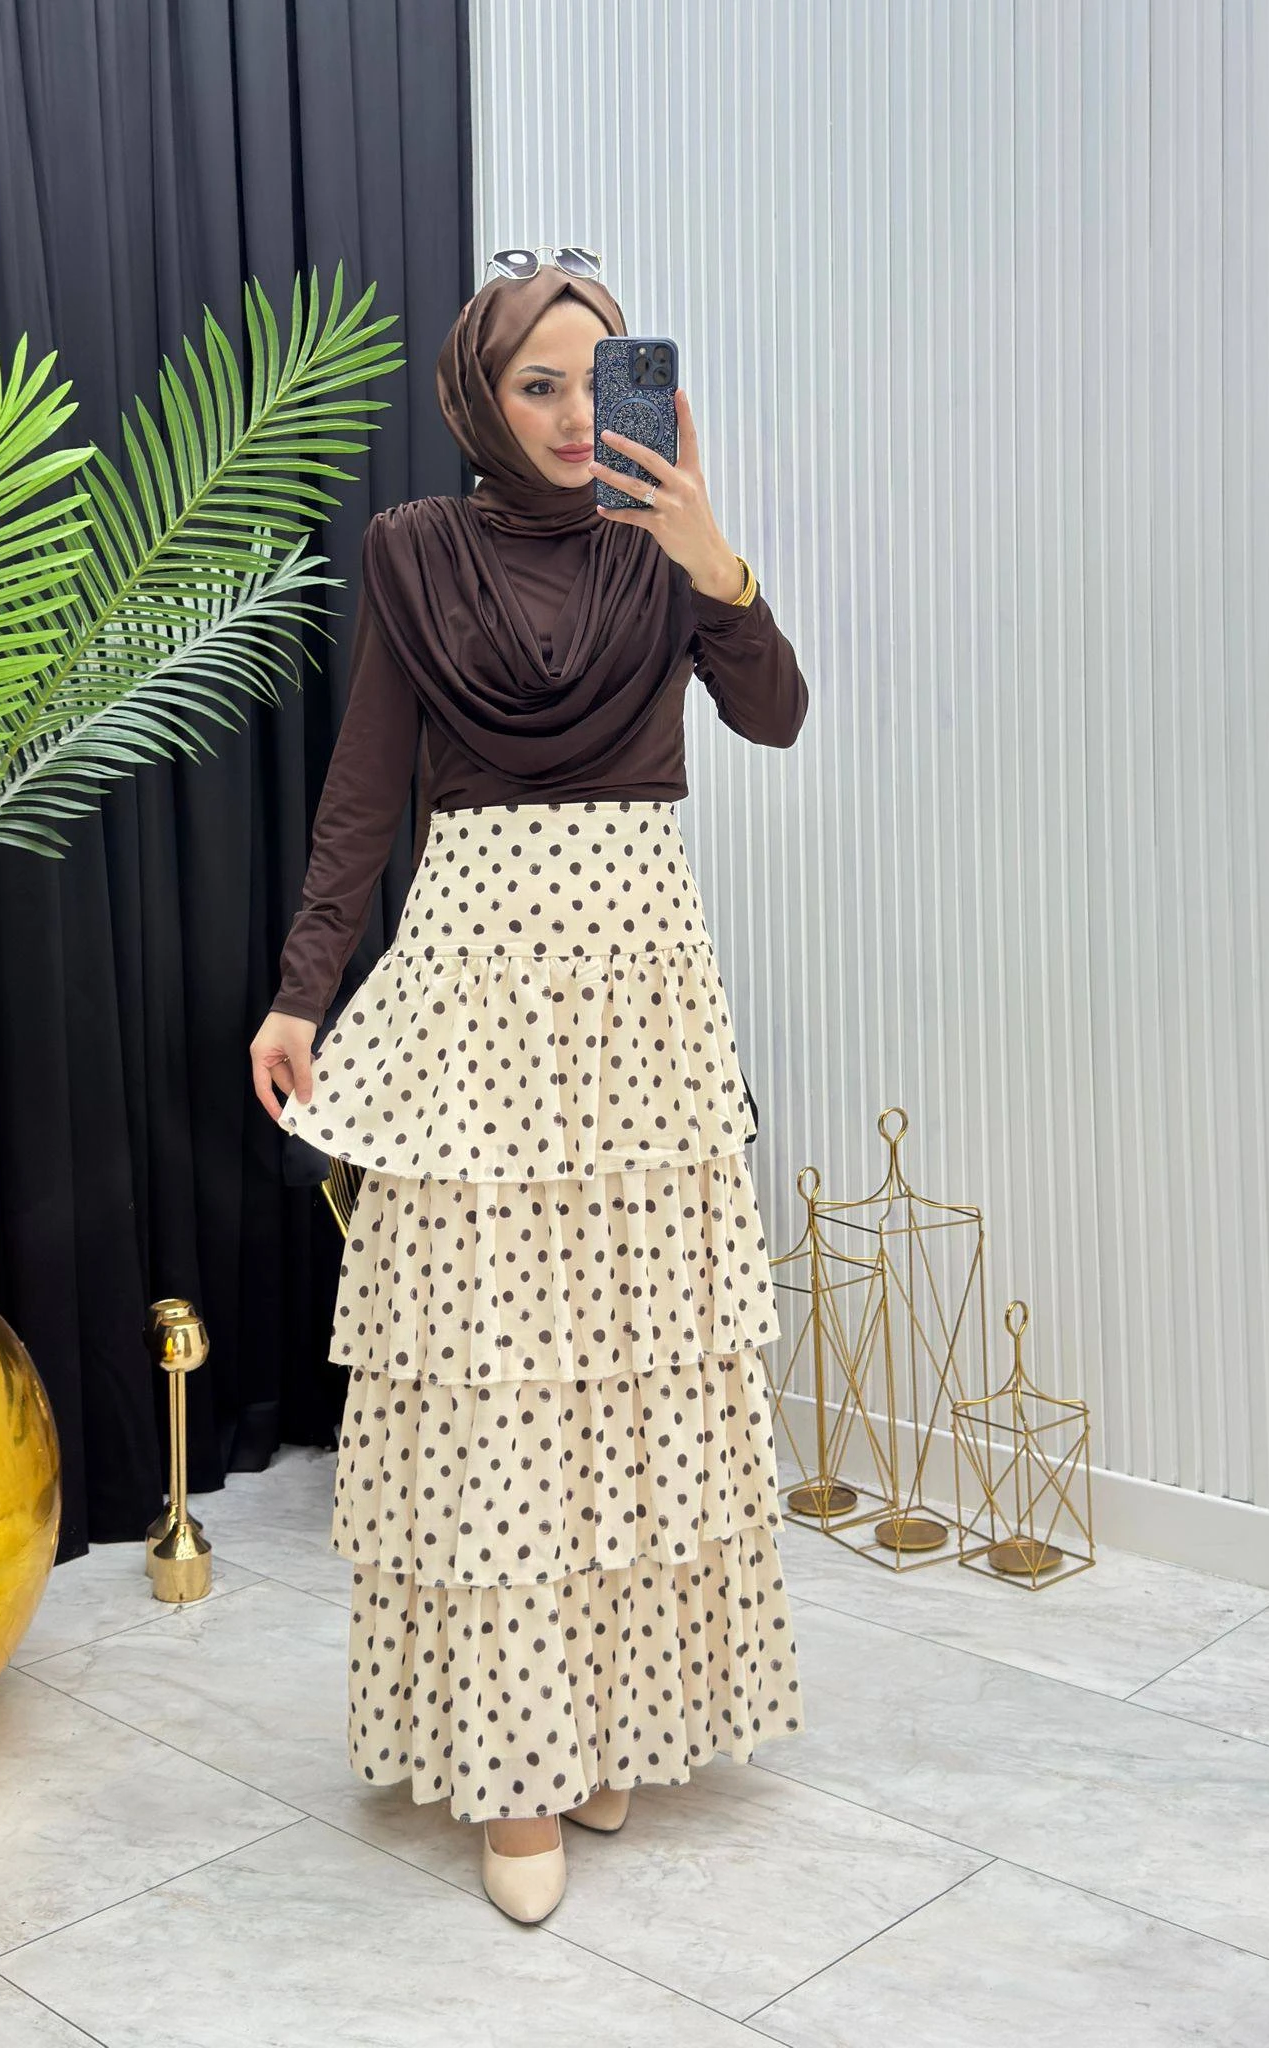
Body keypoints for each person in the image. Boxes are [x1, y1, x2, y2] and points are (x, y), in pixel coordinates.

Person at [248, 258, 811, 1926]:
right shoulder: (419, 553)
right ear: (480, 401)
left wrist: (717, 564)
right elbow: (365, 787)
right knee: (496, 1376)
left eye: (596, 379)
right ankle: (513, 1765)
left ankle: (606, 1717)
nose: (574, 417)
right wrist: (303, 986)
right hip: (479, 981)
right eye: (537, 385)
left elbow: (777, 716)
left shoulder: (663, 548)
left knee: (627, 1372)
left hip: (641, 990)